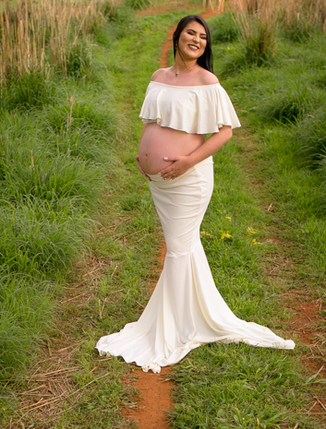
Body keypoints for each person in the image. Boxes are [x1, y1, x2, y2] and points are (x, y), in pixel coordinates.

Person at [95, 14, 294, 374]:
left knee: (178, 249)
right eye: (191, 33)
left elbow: (224, 132)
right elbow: (151, 122)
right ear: (177, 36)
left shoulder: (207, 80)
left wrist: (186, 162)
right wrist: (143, 156)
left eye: (203, 37)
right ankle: (195, 315)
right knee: (185, 247)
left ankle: (167, 333)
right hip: (160, 182)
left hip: (190, 179)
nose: (197, 40)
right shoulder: (158, 77)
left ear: (206, 45)